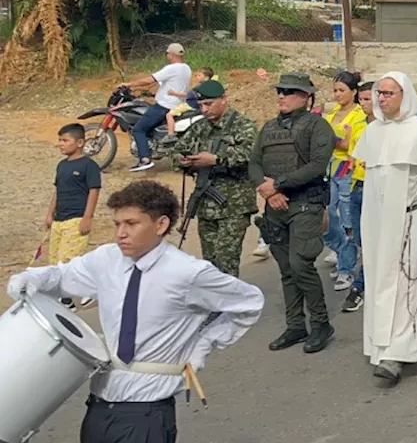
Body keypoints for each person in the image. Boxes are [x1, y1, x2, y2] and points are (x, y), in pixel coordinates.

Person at [7, 180, 264, 443]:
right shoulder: (106, 259)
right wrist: (33, 279)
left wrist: (203, 345)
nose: (120, 233)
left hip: (147, 413)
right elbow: (62, 276)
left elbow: (249, 303)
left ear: (161, 225)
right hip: (99, 406)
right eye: (117, 224)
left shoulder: (189, 273)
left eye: (131, 224)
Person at [353, 72, 417, 384]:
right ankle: (380, 346)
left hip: (411, 219)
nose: (382, 98)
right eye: (379, 93)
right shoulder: (372, 131)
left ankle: (401, 352)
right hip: (377, 221)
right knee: (380, 281)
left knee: (408, 284)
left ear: (404, 95)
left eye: (389, 93)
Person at [249, 72, 336, 354]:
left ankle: (321, 324)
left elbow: (317, 165)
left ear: (305, 97)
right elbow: (255, 163)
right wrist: (271, 191)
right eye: (280, 91)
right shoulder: (269, 127)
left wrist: (279, 184)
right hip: (276, 206)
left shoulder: (317, 126)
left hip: (305, 204)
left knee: (301, 265)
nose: (281, 96)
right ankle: (296, 325)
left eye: (289, 91)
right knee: (286, 269)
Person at [170, 80, 259, 278]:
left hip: (234, 206)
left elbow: (251, 154)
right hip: (206, 205)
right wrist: (184, 161)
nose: (204, 109)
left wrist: (216, 159)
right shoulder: (200, 127)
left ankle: (230, 306)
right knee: (210, 263)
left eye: (209, 104)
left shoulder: (242, 125)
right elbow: (175, 152)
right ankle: (216, 305)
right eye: (201, 105)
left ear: (224, 100)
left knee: (226, 262)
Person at [45, 123, 102, 308]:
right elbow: (57, 190)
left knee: (67, 261)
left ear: (79, 143)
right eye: (60, 140)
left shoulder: (89, 165)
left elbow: (94, 191)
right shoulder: (61, 166)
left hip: (76, 218)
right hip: (59, 220)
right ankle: (65, 299)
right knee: (54, 261)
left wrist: (88, 217)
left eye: (65, 140)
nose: (61, 144)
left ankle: (89, 290)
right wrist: (49, 214)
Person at [323, 71, 365, 292]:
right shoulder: (332, 115)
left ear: (353, 92)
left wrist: (331, 140)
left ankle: (347, 269)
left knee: (347, 221)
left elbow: (349, 145)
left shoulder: (359, 116)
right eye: (335, 90)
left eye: (342, 90)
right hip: (329, 170)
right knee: (327, 218)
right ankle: (342, 255)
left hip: (348, 171)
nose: (337, 94)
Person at [122, 42, 192, 172]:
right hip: (177, 104)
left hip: (164, 106)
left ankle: (144, 159)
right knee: (148, 126)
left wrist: (130, 84)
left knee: (138, 129)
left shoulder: (171, 68)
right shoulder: (186, 68)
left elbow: (150, 80)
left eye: (167, 54)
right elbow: (172, 84)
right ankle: (151, 147)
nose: (167, 56)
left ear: (171, 55)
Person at [342, 81, 375, 314]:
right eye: (361, 99)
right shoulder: (357, 124)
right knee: (361, 241)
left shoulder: (388, 128)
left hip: (377, 189)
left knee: (374, 243)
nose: (363, 104)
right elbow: (352, 157)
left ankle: (358, 287)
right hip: (357, 187)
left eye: (367, 99)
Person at [163, 66, 213, 142]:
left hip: (191, 105)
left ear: (206, 78)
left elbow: (187, 95)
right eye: (196, 75)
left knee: (169, 115)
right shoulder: (210, 86)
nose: (197, 77)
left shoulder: (199, 87)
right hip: (198, 105)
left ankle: (170, 134)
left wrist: (173, 93)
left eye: (199, 75)